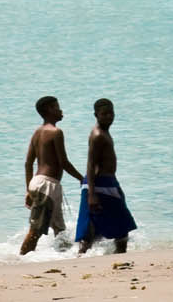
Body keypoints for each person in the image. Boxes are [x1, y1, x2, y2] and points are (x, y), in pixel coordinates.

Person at [21, 95, 82, 255]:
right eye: (56, 107)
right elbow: (64, 162)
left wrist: (28, 189)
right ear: (48, 110)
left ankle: (66, 259)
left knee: (60, 229)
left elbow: (28, 164)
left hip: (39, 183)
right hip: (47, 186)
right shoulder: (56, 132)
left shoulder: (37, 132)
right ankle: (20, 261)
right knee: (36, 231)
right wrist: (82, 178)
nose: (60, 110)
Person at [76, 98, 136, 254]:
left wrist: (116, 185)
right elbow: (90, 164)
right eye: (104, 114)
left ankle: (118, 257)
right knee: (92, 232)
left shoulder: (105, 133)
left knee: (120, 228)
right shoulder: (97, 135)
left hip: (108, 183)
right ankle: (79, 260)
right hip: (98, 185)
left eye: (111, 113)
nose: (109, 117)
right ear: (96, 115)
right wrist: (91, 194)